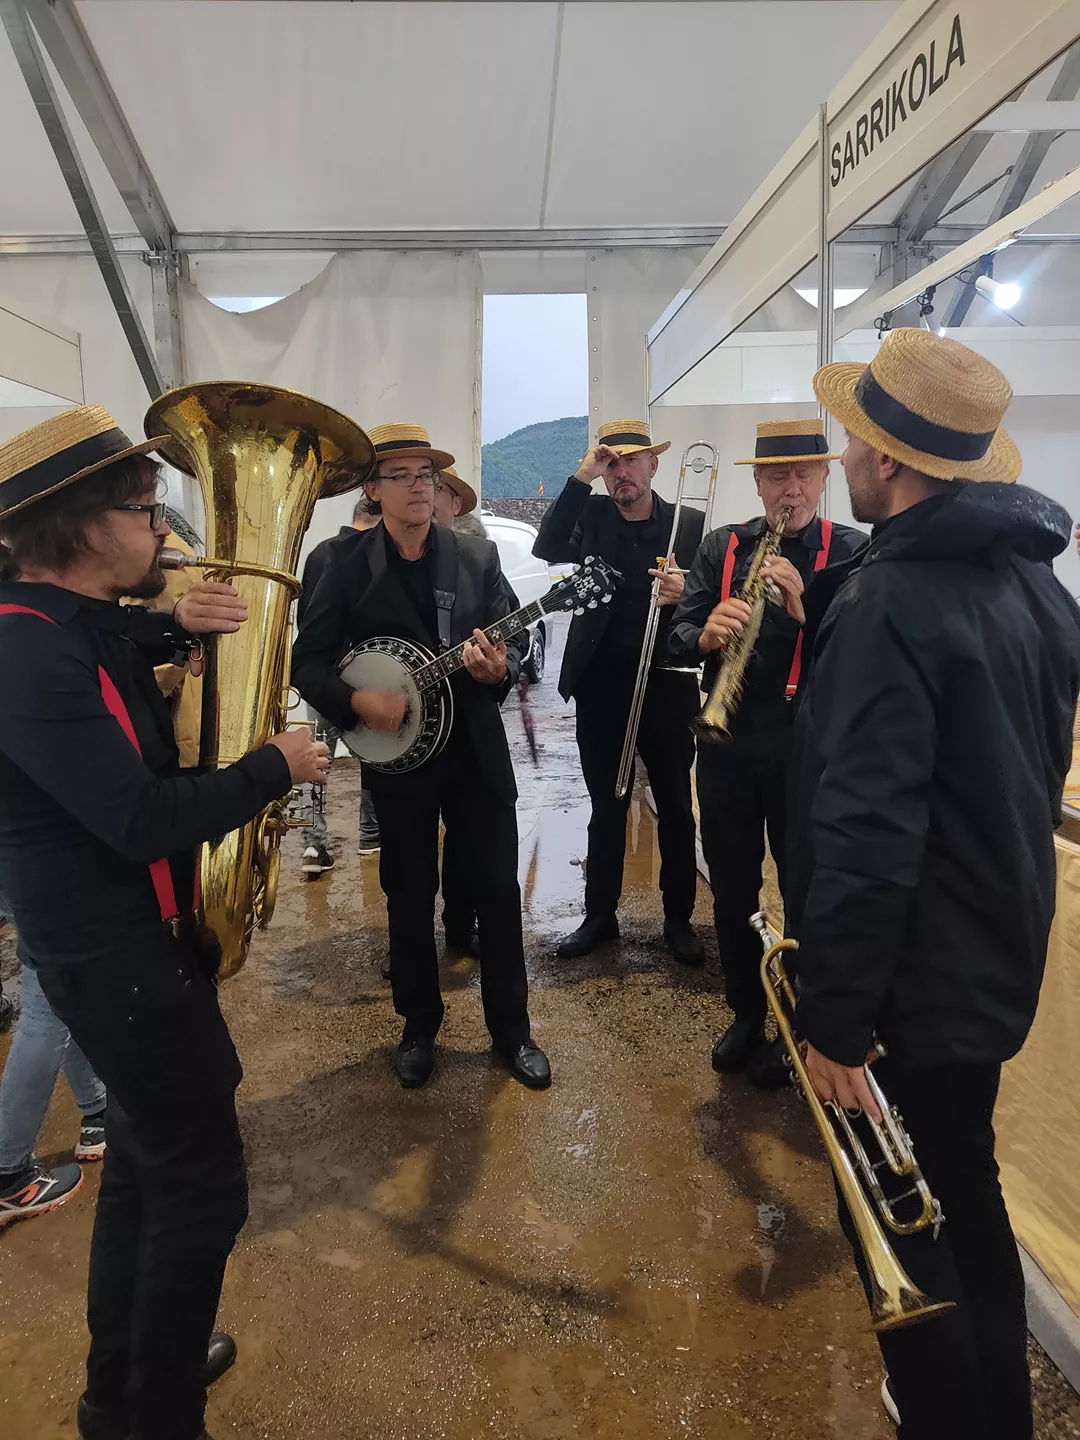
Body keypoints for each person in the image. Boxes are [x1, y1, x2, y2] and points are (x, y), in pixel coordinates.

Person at [0, 405, 329, 1440]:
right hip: (120, 963)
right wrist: (274, 766)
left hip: (125, 953)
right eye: (146, 512)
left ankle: (125, 1389)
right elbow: (139, 818)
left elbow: (116, 634)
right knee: (201, 1191)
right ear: (83, 528)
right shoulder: (26, 653)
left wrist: (178, 622)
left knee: (146, 1166)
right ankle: (159, 1415)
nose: (163, 533)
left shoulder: (57, 621)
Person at [789, 328, 1080, 1440]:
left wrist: (837, 1017)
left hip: (910, 981)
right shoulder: (1038, 587)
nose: (843, 458)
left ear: (887, 460)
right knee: (967, 1186)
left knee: (903, 1217)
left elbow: (869, 830)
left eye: (851, 440)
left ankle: (947, 1414)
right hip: (993, 953)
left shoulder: (889, 602)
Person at [292, 422, 550, 1091]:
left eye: (427, 475)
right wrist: (357, 702)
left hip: (475, 753)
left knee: (497, 893)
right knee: (407, 895)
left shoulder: (475, 557)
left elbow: (513, 647)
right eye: (401, 475)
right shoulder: (340, 563)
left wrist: (497, 669)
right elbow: (306, 662)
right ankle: (417, 1026)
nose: (418, 487)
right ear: (372, 488)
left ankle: (512, 1031)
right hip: (400, 762)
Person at [669, 420, 865, 1084]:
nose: (792, 489)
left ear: (825, 477)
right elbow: (677, 634)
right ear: (757, 482)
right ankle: (747, 1012)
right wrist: (705, 634)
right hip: (727, 740)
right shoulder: (722, 546)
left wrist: (807, 608)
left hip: (808, 744)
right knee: (732, 889)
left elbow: (863, 657)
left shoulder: (852, 550)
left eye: (805, 474)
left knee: (808, 889)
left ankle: (803, 1024)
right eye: (778, 476)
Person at [533, 419, 704, 963]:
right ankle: (599, 916)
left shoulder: (689, 524)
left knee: (675, 807)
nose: (622, 472)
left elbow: (708, 599)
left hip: (668, 686)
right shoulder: (591, 515)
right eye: (612, 464)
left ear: (654, 465)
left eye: (632, 461)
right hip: (602, 689)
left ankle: (678, 919)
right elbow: (546, 546)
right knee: (606, 807)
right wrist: (581, 476)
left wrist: (685, 592)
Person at [297, 496, 383, 873]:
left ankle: (312, 845)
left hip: (321, 680)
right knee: (374, 756)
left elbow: (305, 621)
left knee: (317, 761)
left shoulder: (318, 553)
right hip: (362, 681)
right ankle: (370, 834)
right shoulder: (373, 555)